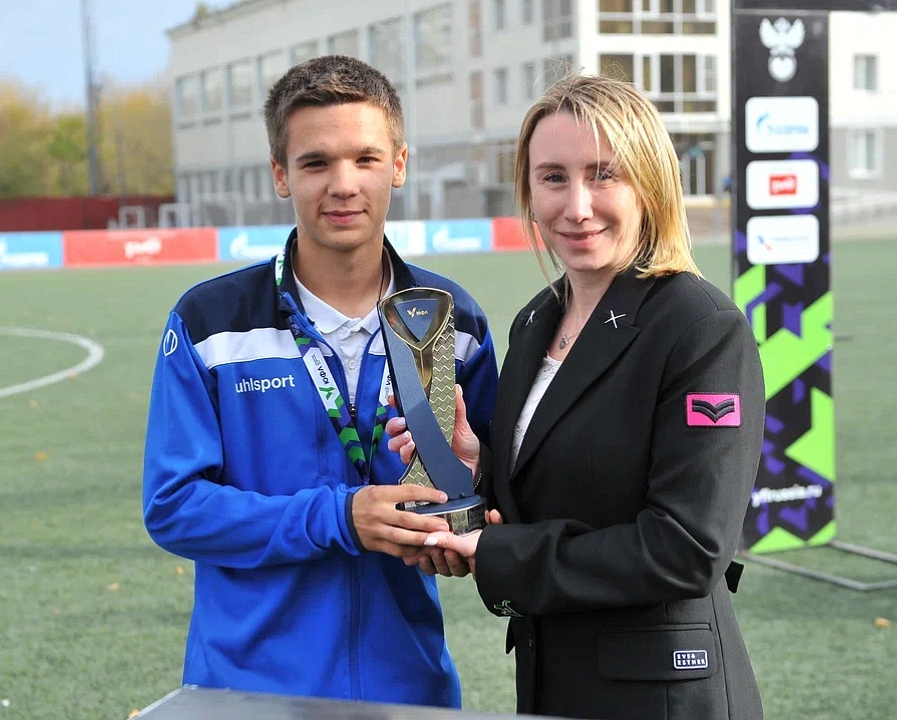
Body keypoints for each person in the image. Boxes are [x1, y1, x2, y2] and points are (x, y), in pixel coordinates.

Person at [387, 72, 766, 720]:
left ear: (649, 183)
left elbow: (687, 549)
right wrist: (472, 470)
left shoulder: (701, 329)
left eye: (603, 175)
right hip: (553, 678)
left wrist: (498, 554)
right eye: (554, 177)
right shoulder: (536, 321)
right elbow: (563, 490)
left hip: (659, 696)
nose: (577, 206)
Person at [141, 55, 499, 708]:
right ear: (281, 174)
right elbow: (174, 506)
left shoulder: (450, 319)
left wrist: (470, 514)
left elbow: (491, 487)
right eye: (316, 163)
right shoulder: (211, 323)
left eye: (365, 158)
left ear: (399, 164)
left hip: (408, 689)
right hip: (247, 692)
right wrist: (339, 517)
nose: (343, 184)